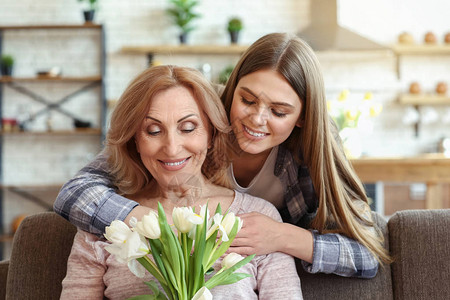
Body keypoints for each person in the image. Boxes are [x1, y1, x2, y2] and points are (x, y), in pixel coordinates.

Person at [54, 33, 390, 280]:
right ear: (233, 86)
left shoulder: (311, 149)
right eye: (247, 99)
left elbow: (366, 253)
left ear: (302, 116)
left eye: (278, 111)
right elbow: (76, 193)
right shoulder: (196, 117)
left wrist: (281, 236)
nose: (257, 119)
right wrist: (154, 223)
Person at [60, 65, 302, 299]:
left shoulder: (258, 217)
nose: (172, 148)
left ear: (210, 134)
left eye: (188, 128)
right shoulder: (106, 224)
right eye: (153, 131)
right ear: (135, 140)